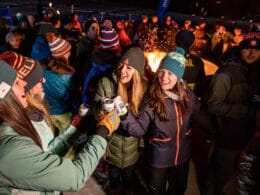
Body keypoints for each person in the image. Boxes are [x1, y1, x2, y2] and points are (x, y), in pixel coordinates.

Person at [0, 60, 120, 194]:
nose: (23, 83)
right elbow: (75, 177)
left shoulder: (16, 124)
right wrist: (102, 131)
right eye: (16, 82)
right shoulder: (11, 149)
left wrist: (76, 128)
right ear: (4, 96)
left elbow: (46, 155)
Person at [119, 47, 214, 195]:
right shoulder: (152, 99)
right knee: (157, 191)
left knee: (179, 189)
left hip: (182, 154)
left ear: (179, 76)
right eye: (161, 72)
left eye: (170, 73)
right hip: (160, 157)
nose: (164, 78)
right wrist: (125, 115)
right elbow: (138, 130)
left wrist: (215, 128)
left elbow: (198, 114)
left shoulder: (187, 94)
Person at [205, 31, 260, 195]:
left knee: (231, 171)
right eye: (247, 49)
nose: (252, 53)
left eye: (257, 50)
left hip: (246, 135)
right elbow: (213, 106)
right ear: (240, 49)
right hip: (228, 135)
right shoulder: (226, 74)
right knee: (222, 173)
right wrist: (244, 109)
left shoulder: (254, 72)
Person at [93, 46, 148, 194]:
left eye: (129, 68)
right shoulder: (106, 83)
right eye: (121, 65)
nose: (122, 71)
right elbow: (94, 116)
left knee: (129, 178)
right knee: (114, 179)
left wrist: (141, 145)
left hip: (132, 150)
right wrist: (102, 110)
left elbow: (143, 123)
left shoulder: (144, 89)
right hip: (112, 148)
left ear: (137, 72)